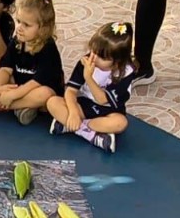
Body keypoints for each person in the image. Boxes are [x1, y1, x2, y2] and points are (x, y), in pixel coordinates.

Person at [0, 0, 63, 126]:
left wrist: (11, 96)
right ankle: (22, 108)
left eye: (26, 25)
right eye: (19, 21)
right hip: (17, 85)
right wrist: (1, 87)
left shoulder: (48, 48)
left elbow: (36, 83)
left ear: (43, 29)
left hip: (35, 89)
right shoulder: (17, 41)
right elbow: (5, 68)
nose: (19, 27)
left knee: (45, 94)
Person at [46, 21, 137, 154]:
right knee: (52, 102)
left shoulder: (126, 72)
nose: (94, 58)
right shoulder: (87, 60)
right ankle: (92, 135)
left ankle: (72, 126)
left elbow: (102, 99)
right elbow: (71, 91)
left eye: (101, 57)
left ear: (117, 62)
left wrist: (88, 77)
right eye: (93, 51)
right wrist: (73, 112)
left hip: (109, 112)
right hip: (84, 106)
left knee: (120, 123)